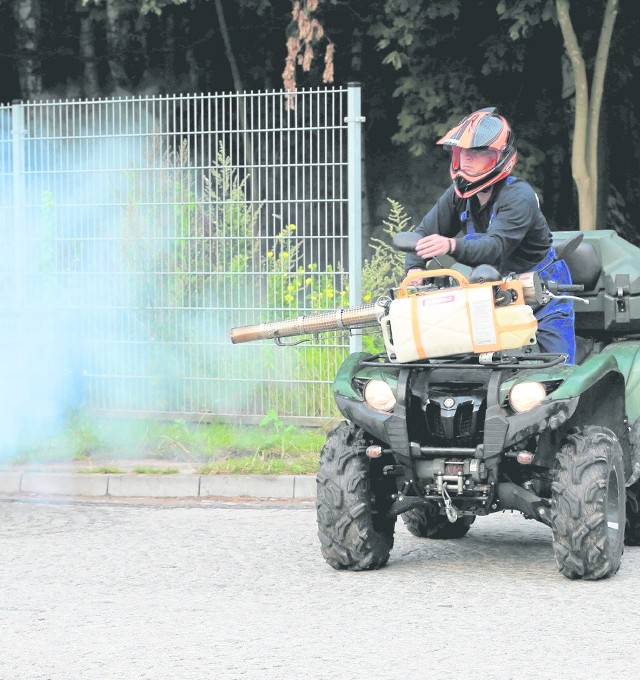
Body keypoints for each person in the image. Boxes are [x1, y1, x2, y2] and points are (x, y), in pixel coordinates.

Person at [405, 107, 576, 363]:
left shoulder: (519, 196)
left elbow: (495, 247)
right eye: (462, 151)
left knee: (558, 369)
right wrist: (415, 269)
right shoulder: (457, 196)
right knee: (459, 363)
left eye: (478, 151)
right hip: (488, 291)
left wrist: (450, 245)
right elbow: (423, 233)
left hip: (542, 291)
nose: (467, 159)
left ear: (501, 158)